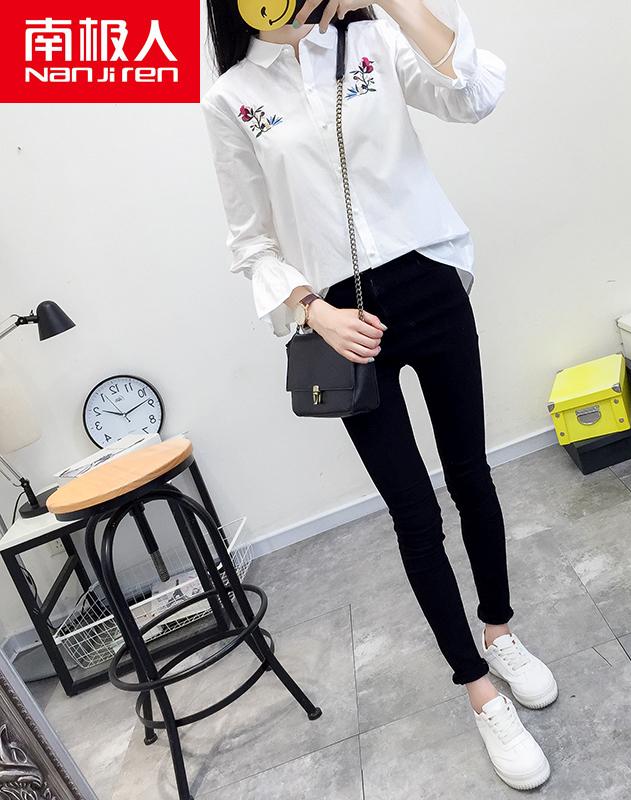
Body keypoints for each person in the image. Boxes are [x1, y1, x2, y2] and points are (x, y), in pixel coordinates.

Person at [201, 0, 558, 789]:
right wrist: (315, 313)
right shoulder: (232, 97)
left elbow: (472, 92)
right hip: (343, 325)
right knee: (414, 513)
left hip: (429, 284)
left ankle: (500, 632)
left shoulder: (373, 39)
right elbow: (251, 242)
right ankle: (478, 689)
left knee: (471, 476)